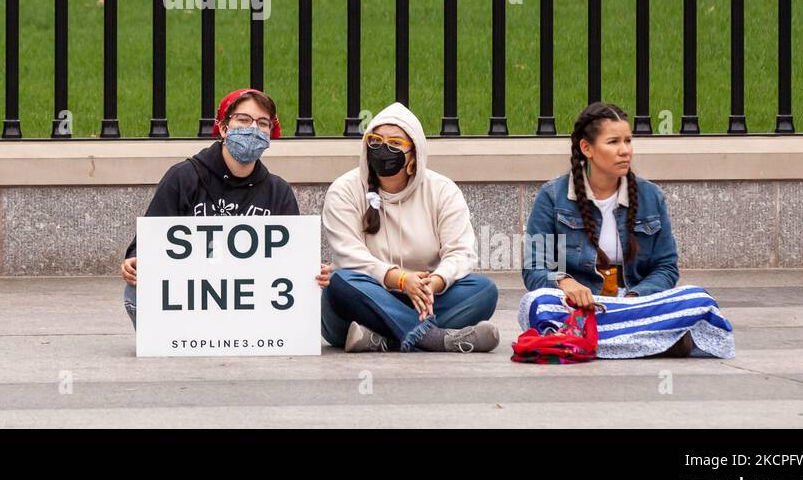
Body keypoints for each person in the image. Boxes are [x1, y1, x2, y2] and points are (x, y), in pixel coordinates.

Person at [518, 101, 735, 359]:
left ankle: (586, 339)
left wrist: (635, 296)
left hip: (637, 303)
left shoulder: (650, 195)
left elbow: (666, 267)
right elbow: (534, 267)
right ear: (586, 148)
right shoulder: (553, 195)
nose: (625, 151)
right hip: (585, 307)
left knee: (698, 298)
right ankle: (652, 340)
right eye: (613, 142)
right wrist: (565, 283)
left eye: (628, 141)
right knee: (538, 302)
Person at [120, 88, 331, 328]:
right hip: (190, 296)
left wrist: (313, 272)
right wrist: (134, 261)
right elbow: (150, 239)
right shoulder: (183, 177)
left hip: (252, 303)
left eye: (263, 123)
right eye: (243, 120)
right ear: (223, 127)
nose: (253, 129)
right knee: (137, 289)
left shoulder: (278, 192)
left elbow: (292, 260)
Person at [320, 102, 500, 354]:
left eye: (394, 144)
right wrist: (402, 280)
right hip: (366, 298)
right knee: (340, 280)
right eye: (375, 141)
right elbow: (349, 255)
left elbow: (461, 253)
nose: (383, 149)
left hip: (424, 298)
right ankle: (435, 338)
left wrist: (434, 283)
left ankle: (382, 339)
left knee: (483, 290)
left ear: (415, 155)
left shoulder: (442, 190)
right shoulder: (344, 190)